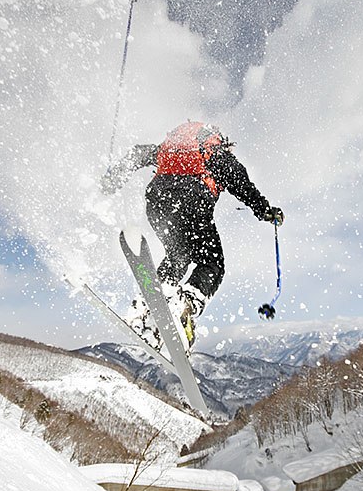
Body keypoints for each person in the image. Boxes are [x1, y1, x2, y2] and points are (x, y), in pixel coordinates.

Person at [101, 120, 284, 348]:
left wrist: (113, 179)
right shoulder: (217, 154)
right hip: (193, 202)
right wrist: (266, 211)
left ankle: (148, 309)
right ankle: (184, 306)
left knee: (178, 255)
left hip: (157, 204)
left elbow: (138, 153)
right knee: (211, 264)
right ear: (220, 141)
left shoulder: (171, 149)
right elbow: (242, 184)